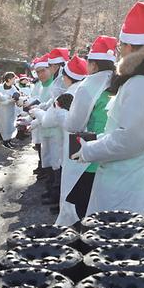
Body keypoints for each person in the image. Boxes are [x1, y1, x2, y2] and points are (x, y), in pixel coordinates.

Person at [72, 2, 144, 217]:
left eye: (121, 45)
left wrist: (89, 150)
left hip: (138, 183)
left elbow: (128, 141)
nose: (119, 51)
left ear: (130, 48)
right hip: (135, 179)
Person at [53, 36, 117, 225]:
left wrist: (61, 112)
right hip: (112, 156)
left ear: (94, 65)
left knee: (81, 212)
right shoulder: (119, 83)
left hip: (87, 157)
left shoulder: (88, 86)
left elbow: (74, 125)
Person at [35, 54, 87, 217]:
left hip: (68, 141)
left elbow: (49, 120)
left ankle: (66, 211)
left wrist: (36, 112)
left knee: (67, 174)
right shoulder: (86, 91)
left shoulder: (65, 96)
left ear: (66, 76)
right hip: (86, 141)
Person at [0, 72, 22, 148]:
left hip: (10, 110)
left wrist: (17, 96)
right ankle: (5, 142)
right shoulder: (0, 88)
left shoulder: (13, 87)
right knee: (3, 126)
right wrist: (9, 100)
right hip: (1, 110)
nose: (15, 80)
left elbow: (16, 93)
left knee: (10, 126)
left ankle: (9, 140)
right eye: (13, 79)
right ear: (9, 79)